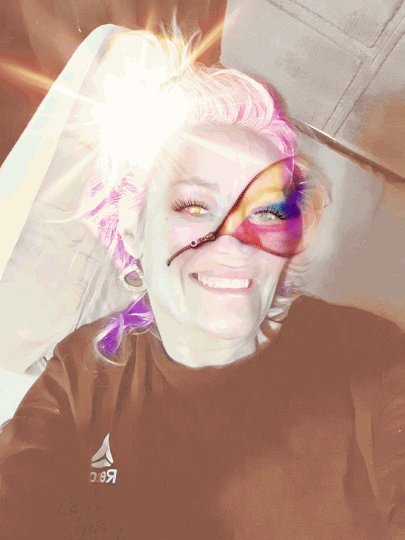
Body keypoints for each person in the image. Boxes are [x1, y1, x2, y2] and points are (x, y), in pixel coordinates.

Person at [0, 24, 404, 540]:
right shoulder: (85, 372)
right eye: (194, 205)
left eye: (266, 211)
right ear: (134, 229)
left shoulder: (366, 356)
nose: (237, 241)